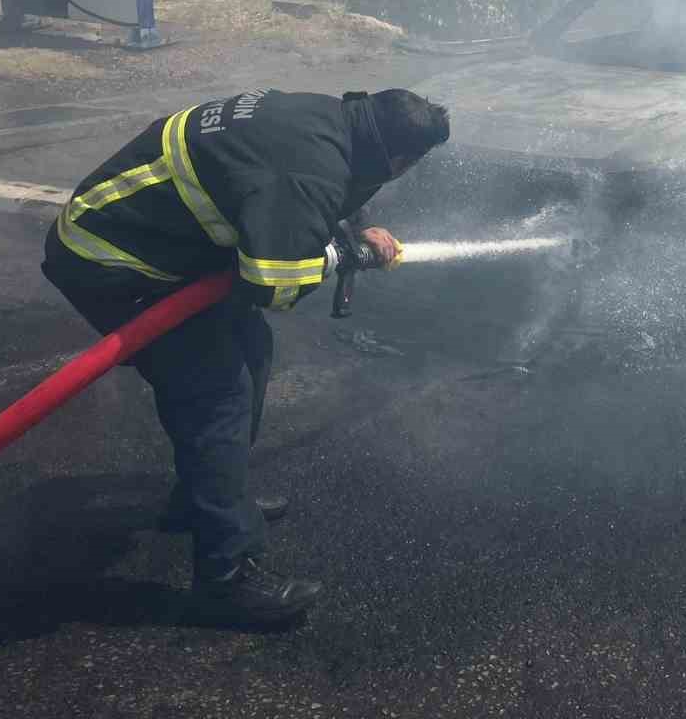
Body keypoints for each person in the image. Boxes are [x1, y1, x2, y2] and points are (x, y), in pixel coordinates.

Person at [41, 88, 450, 626]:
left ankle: (207, 499)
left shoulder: (329, 120)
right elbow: (275, 285)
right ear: (398, 158)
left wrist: (354, 226)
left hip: (156, 247)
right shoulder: (308, 167)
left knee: (251, 351)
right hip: (113, 263)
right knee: (217, 391)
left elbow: (308, 186)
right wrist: (344, 255)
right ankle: (226, 577)